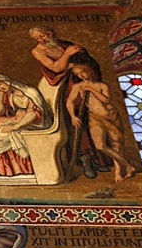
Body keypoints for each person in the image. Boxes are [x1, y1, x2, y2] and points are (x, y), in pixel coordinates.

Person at [29, 26, 108, 178]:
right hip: (65, 87)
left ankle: (99, 158)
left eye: (42, 36)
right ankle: (85, 159)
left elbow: (86, 60)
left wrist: (81, 60)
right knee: (75, 120)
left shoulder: (65, 44)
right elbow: (56, 67)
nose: (40, 40)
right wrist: (68, 54)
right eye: (37, 38)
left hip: (82, 81)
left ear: (50, 33)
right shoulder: (38, 51)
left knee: (92, 116)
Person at [0, 74, 49, 183]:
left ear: (6, 80)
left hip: (33, 123)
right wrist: (1, 95)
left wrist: (15, 126)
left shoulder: (30, 92)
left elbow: (34, 114)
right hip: (18, 120)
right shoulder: (8, 94)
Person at [67, 63, 137, 182]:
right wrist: (73, 116)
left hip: (111, 116)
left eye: (82, 72)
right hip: (95, 117)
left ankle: (118, 172)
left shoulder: (102, 85)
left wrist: (91, 89)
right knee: (100, 145)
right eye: (78, 74)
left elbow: (106, 99)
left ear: (89, 71)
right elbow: (70, 101)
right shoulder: (78, 87)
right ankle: (128, 166)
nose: (81, 75)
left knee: (116, 144)